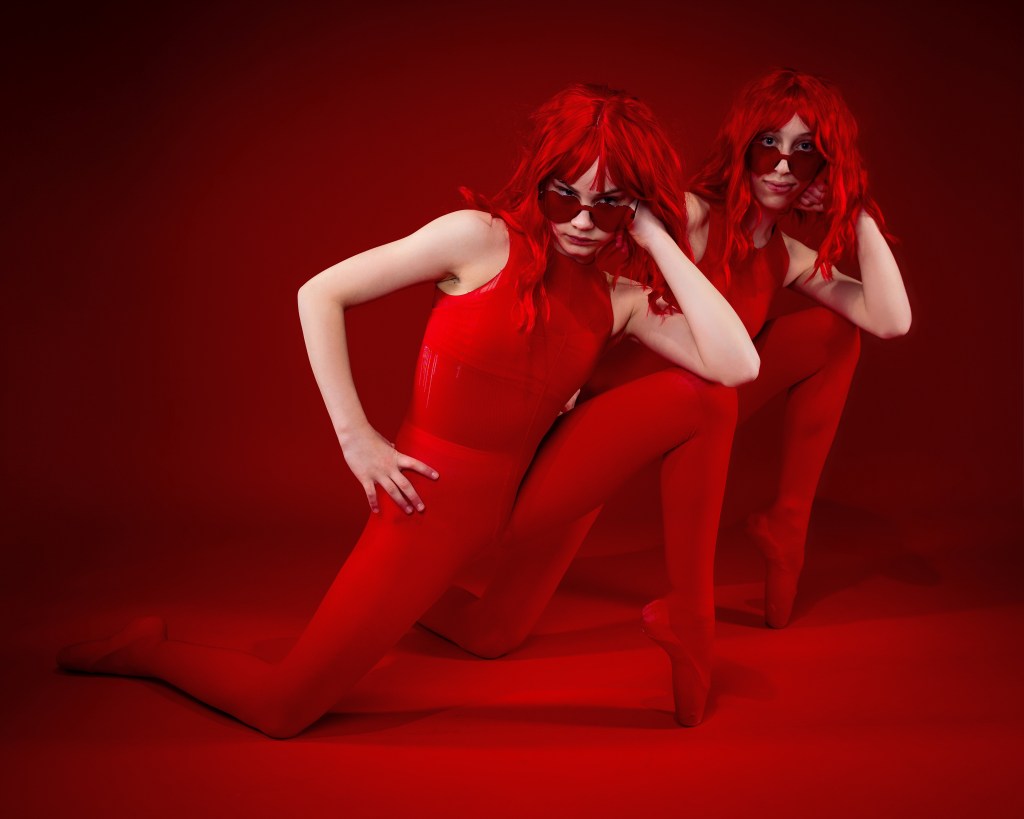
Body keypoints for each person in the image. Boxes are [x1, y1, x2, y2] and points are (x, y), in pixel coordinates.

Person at [56, 84, 759, 738]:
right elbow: (318, 294)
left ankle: (690, 618)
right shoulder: (478, 239)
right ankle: (144, 650)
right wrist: (356, 437)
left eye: (606, 206)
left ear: (632, 208)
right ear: (539, 181)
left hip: (525, 494)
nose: (580, 220)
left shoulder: (619, 298)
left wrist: (656, 239)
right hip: (430, 502)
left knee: (705, 399)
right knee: (281, 708)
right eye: (563, 195)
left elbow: (737, 365)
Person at [420, 68, 911, 725]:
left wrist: (856, 209)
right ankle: (410, 593)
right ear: (742, 144)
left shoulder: (785, 256)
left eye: (806, 151)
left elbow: (889, 320)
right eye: (769, 143)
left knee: (832, 333)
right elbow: (584, 283)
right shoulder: (690, 217)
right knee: (493, 633)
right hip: (597, 427)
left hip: (695, 415)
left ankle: (785, 524)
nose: (782, 167)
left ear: (827, 165)